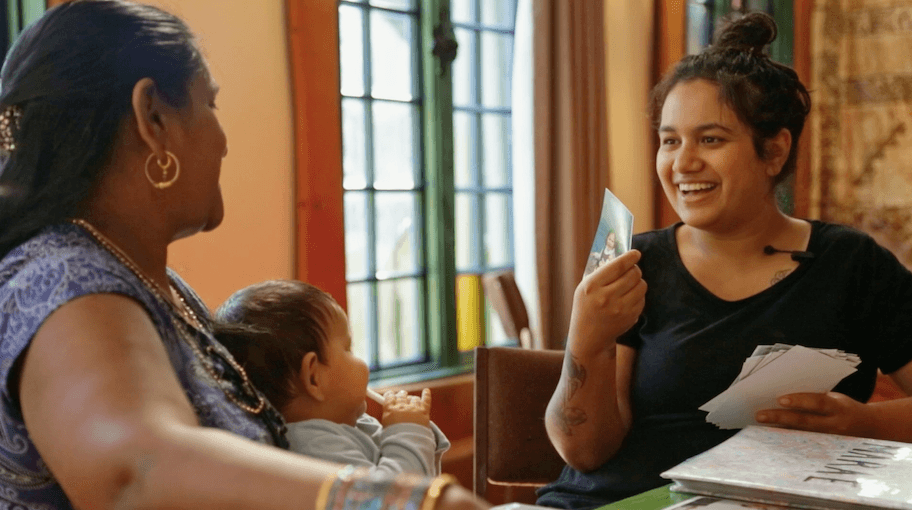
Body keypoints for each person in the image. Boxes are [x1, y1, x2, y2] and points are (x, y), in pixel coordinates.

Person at [0, 1, 485, 509]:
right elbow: (137, 471)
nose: (223, 141)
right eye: (209, 105)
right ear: (153, 118)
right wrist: (416, 501)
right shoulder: (64, 281)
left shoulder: (151, 282)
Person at [536, 12, 912, 509]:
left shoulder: (850, 263)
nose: (682, 162)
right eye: (670, 140)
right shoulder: (634, 262)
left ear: (774, 151)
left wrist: (864, 424)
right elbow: (582, 452)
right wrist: (587, 338)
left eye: (710, 139)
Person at [213, 279, 450, 476]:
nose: (359, 360)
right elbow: (396, 499)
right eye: (348, 349)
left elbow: (425, 484)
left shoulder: (348, 426)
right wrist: (407, 431)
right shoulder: (313, 448)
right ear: (314, 377)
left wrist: (415, 427)